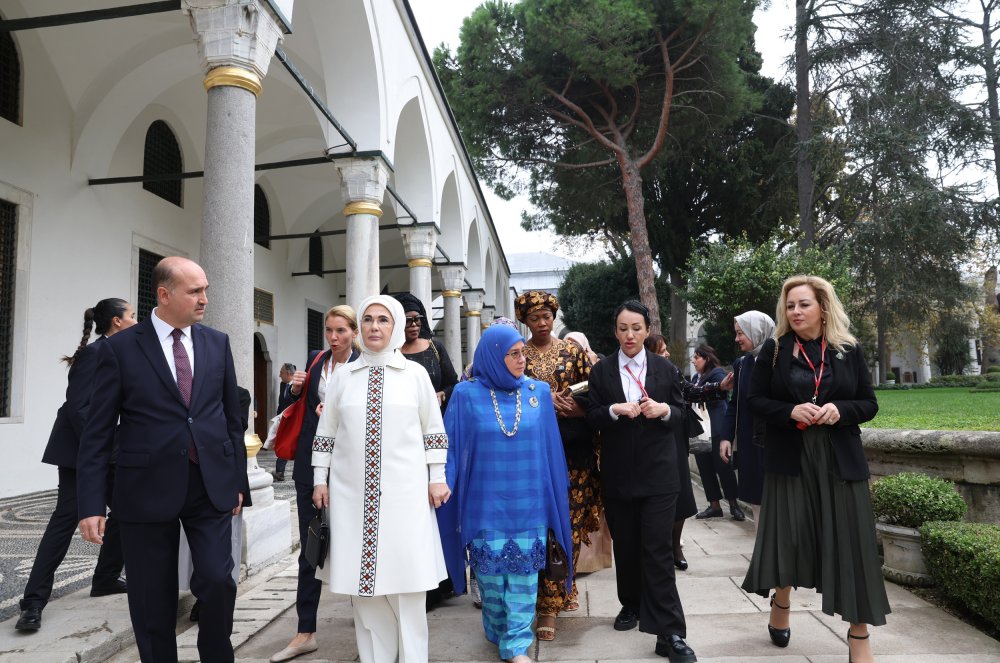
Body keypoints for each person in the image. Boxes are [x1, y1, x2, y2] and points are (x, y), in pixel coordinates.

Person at [77, 256, 251, 663]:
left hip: (208, 484)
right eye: (195, 291)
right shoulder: (120, 348)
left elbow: (231, 420)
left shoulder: (217, 342)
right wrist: (90, 504)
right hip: (144, 489)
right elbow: (97, 432)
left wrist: (238, 481)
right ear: (164, 294)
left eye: (205, 289)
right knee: (151, 597)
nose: (205, 299)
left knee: (217, 580)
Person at [742, 275, 887, 663]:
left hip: (838, 459)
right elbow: (753, 399)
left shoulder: (847, 349)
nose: (796, 311)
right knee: (790, 539)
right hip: (790, 459)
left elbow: (869, 404)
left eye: (804, 304)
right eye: (790, 305)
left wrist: (842, 410)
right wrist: (788, 410)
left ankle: (859, 637)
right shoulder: (773, 350)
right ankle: (782, 602)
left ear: (823, 307)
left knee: (851, 545)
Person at [311, 295, 450, 663]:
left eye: (383, 320)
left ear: (397, 327)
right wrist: (319, 478)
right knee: (365, 591)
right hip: (351, 495)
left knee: (407, 586)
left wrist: (437, 477)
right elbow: (326, 433)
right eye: (368, 319)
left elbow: (433, 432)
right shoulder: (343, 377)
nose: (375, 327)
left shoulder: (416, 375)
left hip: (405, 496)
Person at [437, 325, 573, 663]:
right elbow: (450, 448)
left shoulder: (538, 392)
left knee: (525, 582)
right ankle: (499, 632)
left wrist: (557, 493)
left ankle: (516, 644)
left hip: (529, 504)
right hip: (484, 506)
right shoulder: (465, 395)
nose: (521, 359)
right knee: (492, 586)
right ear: (493, 355)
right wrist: (442, 483)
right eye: (512, 353)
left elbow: (551, 449)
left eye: (522, 352)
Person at [14, 299, 135, 633]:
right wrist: (104, 452)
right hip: (81, 451)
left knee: (126, 510)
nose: (136, 321)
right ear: (117, 321)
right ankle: (33, 602)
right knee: (65, 520)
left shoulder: (117, 352)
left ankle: (106, 578)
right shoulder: (96, 354)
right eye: (133, 316)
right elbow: (79, 408)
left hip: (106, 449)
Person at [587, 300, 696, 663]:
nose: (629, 335)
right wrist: (614, 411)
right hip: (618, 474)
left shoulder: (665, 369)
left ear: (647, 330)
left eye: (636, 327)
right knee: (628, 546)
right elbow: (592, 416)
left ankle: (670, 632)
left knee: (658, 550)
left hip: (660, 475)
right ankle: (631, 604)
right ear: (614, 332)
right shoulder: (602, 371)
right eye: (622, 328)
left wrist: (664, 410)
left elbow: (684, 415)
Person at [270, 306, 358, 663]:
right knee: (311, 547)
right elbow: (294, 405)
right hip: (310, 464)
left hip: (350, 465)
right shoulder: (317, 359)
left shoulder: (364, 366)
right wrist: (294, 391)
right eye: (329, 330)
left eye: (341, 331)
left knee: (355, 543)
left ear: (354, 332)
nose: (334, 337)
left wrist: (339, 412)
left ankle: (373, 621)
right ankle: (305, 631)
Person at [514, 290, 600, 642]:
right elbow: (509, 394)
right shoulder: (518, 354)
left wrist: (576, 409)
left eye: (547, 316)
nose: (543, 322)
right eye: (535, 318)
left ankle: (556, 596)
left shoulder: (573, 351)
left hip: (572, 451)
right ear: (525, 321)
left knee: (570, 523)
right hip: (533, 454)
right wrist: (544, 402)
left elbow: (597, 393)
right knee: (541, 528)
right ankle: (546, 601)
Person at [642, 334, 698, 571]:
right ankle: (658, 547)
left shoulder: (672, 370)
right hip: (647, 444)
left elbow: (690, 393)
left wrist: (719, 387)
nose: (666, 354)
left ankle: (676, 546)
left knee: (682, 494)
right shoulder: (635, 373)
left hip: (674, 437)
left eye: (666, 349)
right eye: (661, 350)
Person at [719, 311, 775, 527]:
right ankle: (763, 551)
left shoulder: (779, 360)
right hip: (749, 443)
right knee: (755, 500)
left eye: (741, 333)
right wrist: (726, 437)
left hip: (773, 443)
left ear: (757, 331)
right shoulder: (742, 364)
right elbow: (735, 404)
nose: (736, 339)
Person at [690, 345, 744, 522]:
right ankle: (714, 505)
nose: (694, 361)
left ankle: (734, 505)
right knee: (705, 468)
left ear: (706, 358)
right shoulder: (694, 378)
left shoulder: (718, 374)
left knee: (723, 468)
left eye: (697, 357)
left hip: (716, 427)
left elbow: (723, 392)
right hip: (701, 431)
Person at [394, 292, 459, 409]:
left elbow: (453, 384)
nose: (414, 325)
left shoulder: (435, 348)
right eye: (408, 320)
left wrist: (442, 394)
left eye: (417, 319)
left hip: (435, 414)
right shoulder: (391, 352)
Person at [272, 362, 296, 482]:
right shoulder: (283, 385)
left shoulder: (298, 385)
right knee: (283, 445)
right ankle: (279, 472)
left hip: (295, 421)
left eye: (281, 373)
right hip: (283, 421)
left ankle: (282, 472)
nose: (279, 375)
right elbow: (281, 404)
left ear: (288, 373)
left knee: (294, 446)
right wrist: (278, 418)